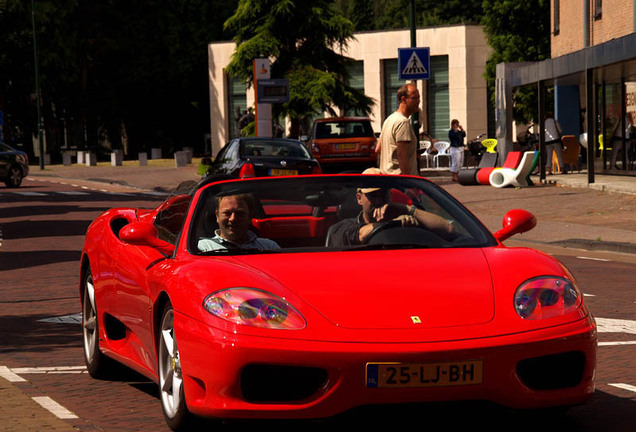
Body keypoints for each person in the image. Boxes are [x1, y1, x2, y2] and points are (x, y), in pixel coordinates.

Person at [326, 168, 453, 247]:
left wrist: (407, 209)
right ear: (359, 198)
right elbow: (361, 235)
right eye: (373, 195)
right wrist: (392, 224)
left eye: (384, 194)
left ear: (390, 195)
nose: (379, 200)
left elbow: (447, 228)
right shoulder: (342, 228)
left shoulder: (405, 219)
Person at [198, 193, 280, 251]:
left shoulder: (269, 247)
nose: (233, 219)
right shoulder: (203, 248)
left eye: (240, 213)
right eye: (227, 213)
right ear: (217, 216)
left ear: (250, 216)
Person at [378, 83, 420, 176]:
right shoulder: (403, 122)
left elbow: (378, 148)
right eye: (414, 98)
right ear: (403, 99)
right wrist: (408, 182)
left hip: (387, 178)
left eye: (418, 98)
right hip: (400, 181)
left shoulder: (389, 119)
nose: (418, 101)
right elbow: (402, 155)